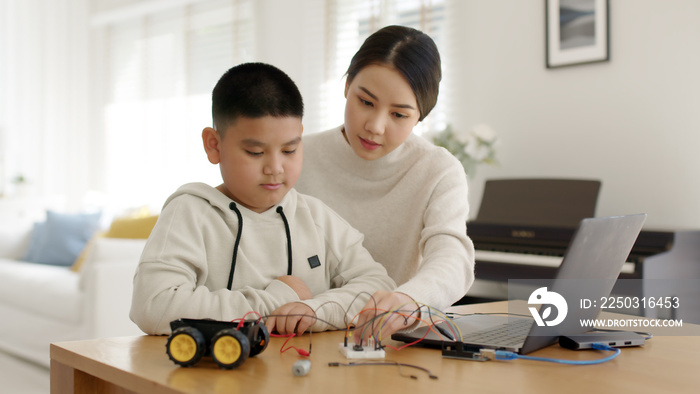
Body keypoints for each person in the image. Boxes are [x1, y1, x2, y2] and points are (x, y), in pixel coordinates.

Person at [130, 62, 396, 336]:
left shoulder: (315, 217)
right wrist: (281, 298)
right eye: (255, 153)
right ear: (214, 145)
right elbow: (153, 305)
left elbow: (379, 287)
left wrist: (315, 310)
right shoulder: (190, 213)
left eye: (289, 150)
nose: (275, 168)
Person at [295, 25, 475, 342]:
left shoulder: (438, 170)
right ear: (348, 85)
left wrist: (409, 299)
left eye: (399, 115)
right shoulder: (296, 156)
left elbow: (452, 258)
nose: (375, 127)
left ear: (420, 116)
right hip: (298, 335)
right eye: (365, 102)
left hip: (386, 342)